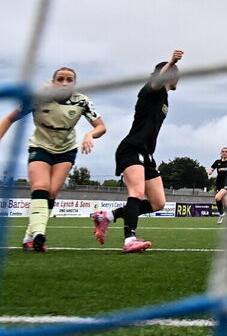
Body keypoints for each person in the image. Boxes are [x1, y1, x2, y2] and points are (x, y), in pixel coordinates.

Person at [0, 67, 106, 252]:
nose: (64, 83)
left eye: (69, 80)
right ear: (54, 81)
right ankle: (39, 233)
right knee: (40, 186)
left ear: (74, 84)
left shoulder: (81, 101)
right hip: (40, 146)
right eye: (60, 79)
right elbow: (9, 119)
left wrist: (90, 134)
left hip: (66, 149)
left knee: (52, 192)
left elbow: (101, 127)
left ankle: (29, 237)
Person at [91, 50, 183, 252]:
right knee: (137, 192)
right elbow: (157, 82)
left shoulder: (165, 98)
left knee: (158, 203)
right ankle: (129, 239)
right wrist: (171, 62)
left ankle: (107, 216)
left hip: (147, 154)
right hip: (131, 149)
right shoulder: (152, 90)